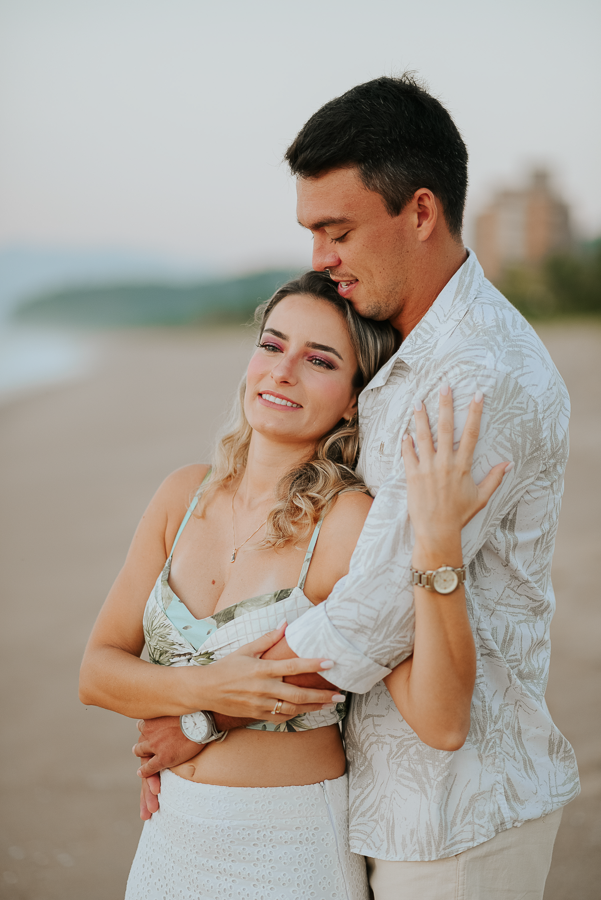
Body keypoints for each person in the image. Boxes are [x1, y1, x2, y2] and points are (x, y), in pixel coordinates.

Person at [132, 76, 580, 899]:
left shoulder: (477, 373)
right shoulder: (402, 356)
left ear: (419, 212)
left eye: (336, 230)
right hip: (363, 795)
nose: (319, 259)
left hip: (453, 811)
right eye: (310, 233)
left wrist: (204, 717)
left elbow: (372, 606)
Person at [80, 270, 508, 898]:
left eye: (320, 360)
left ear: (355, 398)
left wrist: (438, 546)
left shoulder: (348, 523)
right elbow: (96, 673)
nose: (283, 372)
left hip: (288, 849)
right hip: (169, 841)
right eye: (273, 345)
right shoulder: (182, 493)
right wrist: (205, 690)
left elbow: (441, 720)